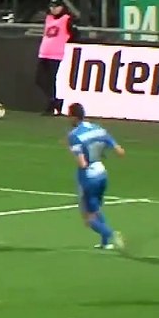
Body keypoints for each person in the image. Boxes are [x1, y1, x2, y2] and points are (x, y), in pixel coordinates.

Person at [67, 103, 126, 250]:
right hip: (102, 174)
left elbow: (82, 163)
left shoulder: (74, 135)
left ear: (74, 117)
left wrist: (76, 155)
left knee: (88, 218)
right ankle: (105, 243)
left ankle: (111, 234)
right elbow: (120, 151)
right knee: (96, 209)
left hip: (89, 177)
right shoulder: (98, 129)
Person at [37, 0, 77, 116]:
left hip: (55, 54)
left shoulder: (66, 19)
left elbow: (74, 33)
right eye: (52, 6)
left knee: (51, 80)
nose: (53, 9)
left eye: (56, 6)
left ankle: (52, 105)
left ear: (61, 7)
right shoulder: (49, 18)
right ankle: (54, 102)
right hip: (44, 53)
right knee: (39, 79)